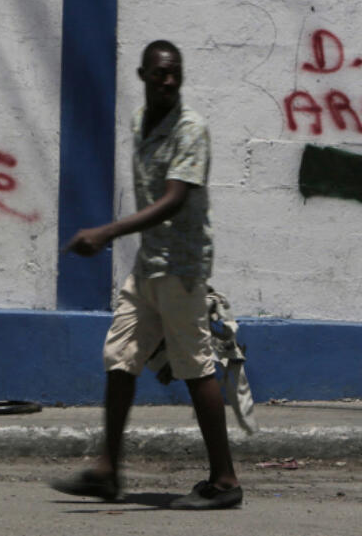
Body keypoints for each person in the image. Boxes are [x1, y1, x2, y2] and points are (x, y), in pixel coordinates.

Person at [50, 39, 243, 510]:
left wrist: (107, 232)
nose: (169, 80)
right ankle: (108, 469)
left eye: (175, 72)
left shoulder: (191, 129)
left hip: (181, 268)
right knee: (120, 355)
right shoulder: (141, 122)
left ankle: (225, 481)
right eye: (159, 74)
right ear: (142, 77)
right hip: (148, 266)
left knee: (195, 366)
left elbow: (175, 198)